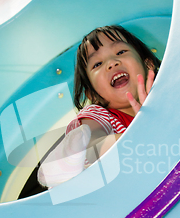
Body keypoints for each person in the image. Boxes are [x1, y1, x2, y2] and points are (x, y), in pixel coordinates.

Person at [37, 25, 160, 188]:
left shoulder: (163, 96)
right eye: (97, 64)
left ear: (148, 64)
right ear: (93, 94)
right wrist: (142, 129)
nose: (112, 63)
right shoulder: (100, 114)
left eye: (120, 52)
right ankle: (66, 161)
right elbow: (94, 145)